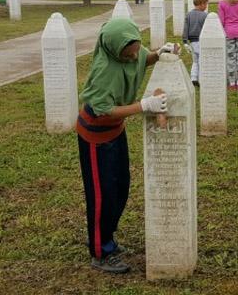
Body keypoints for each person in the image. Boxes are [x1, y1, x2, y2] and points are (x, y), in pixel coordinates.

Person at [75, 18, 180, 273]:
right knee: (103, 195)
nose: (135, 54)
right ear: (114, 48)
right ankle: (100, 252)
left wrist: (159, 53)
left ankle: (107, 237)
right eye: (129, 50)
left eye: (136, 46)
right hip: (96, 137)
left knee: (121, 187)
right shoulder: (105, 71)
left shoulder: (130, 51)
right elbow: (103, 111)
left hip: (115, 131)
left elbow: (143, 57)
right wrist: (144, 106)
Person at [182, 0, 209, 87]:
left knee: (195, 61)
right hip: (202, 41)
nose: (206, 6)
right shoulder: (205, 15)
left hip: (192, 43)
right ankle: (202, 79)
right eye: (206, 4)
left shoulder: (188, 15)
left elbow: (185, 28)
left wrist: (185, 41)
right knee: (202, 61)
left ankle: (193, 78)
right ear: (201, 4)